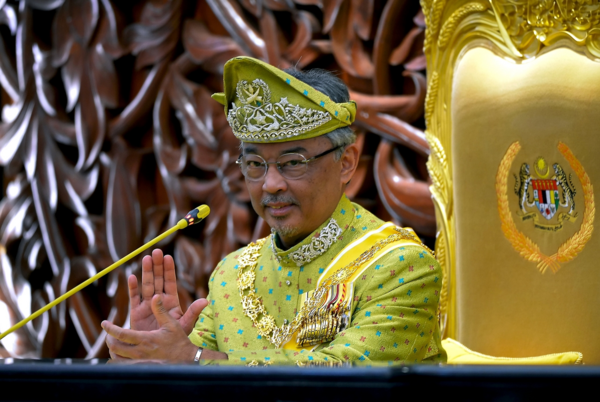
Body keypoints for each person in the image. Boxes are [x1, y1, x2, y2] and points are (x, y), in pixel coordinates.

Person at [101, 57, 447, 366]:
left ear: (346, 163)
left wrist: (190, 359)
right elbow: (195, 376)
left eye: (293, 163)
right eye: (254, 164)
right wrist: (154, 362)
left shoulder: (402, 266)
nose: (271, 184)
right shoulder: (231, 275)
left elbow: (348, 377)